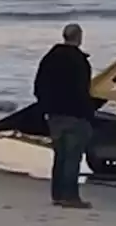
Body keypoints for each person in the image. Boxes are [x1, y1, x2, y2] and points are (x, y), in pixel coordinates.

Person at [34, 23, 95, 209]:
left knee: (60, 155)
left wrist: (47, 107)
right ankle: (70, 196)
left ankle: (58, 195)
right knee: (73, 156)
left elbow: (38, 86)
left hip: (54, 115)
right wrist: (87, 112)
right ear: (79, 37)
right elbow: (82, 90)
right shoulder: (79, 61)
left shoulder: (49, 58)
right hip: (74, 114)